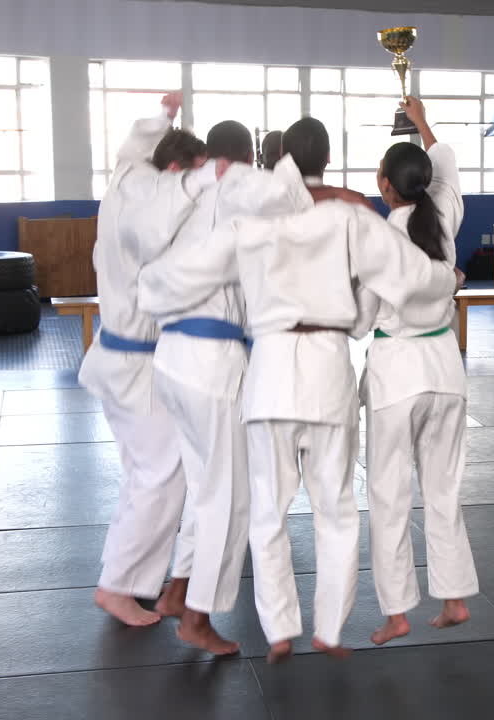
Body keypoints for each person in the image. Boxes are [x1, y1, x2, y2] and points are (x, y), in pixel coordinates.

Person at [179, 116, 462, 663]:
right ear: (328, 159)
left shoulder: (251, 211)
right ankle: (330, 627)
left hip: (270, 370)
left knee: (268, 510)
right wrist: (443, 282)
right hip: (331, 367)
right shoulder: (351, 213)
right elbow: (373, 301)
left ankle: (279, 625)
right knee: (335, 508)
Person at [137, 119, 309, 654]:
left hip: (173, 358)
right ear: (240, 158)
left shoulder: (186, 192)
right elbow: (292, 200)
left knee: (205, 488)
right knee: (229, 500)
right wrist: (284, 160)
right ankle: (196, 616)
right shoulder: (236, 183)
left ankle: (179, 587)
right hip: (210, 363)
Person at [351, 98, 478, 647]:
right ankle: (452, 599)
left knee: (388, 493)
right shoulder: (443, 215)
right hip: (446, 371)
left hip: (397, 376)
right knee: (444, 488)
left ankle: (398, 611)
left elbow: (358, 322)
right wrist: (422, 120)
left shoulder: (378, 243)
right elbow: (445, 162)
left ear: (384, 185)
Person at [77, 93, 206, 626]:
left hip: (120, 357)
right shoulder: (146, 205)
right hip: (135, 364)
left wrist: (163, 116)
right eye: (189, 180)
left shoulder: (128, 179)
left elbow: (135, 145)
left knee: (144, 472)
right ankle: (118, 585)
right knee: (163, 473)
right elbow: (160, 235)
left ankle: (128, 578)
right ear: (174, 171)